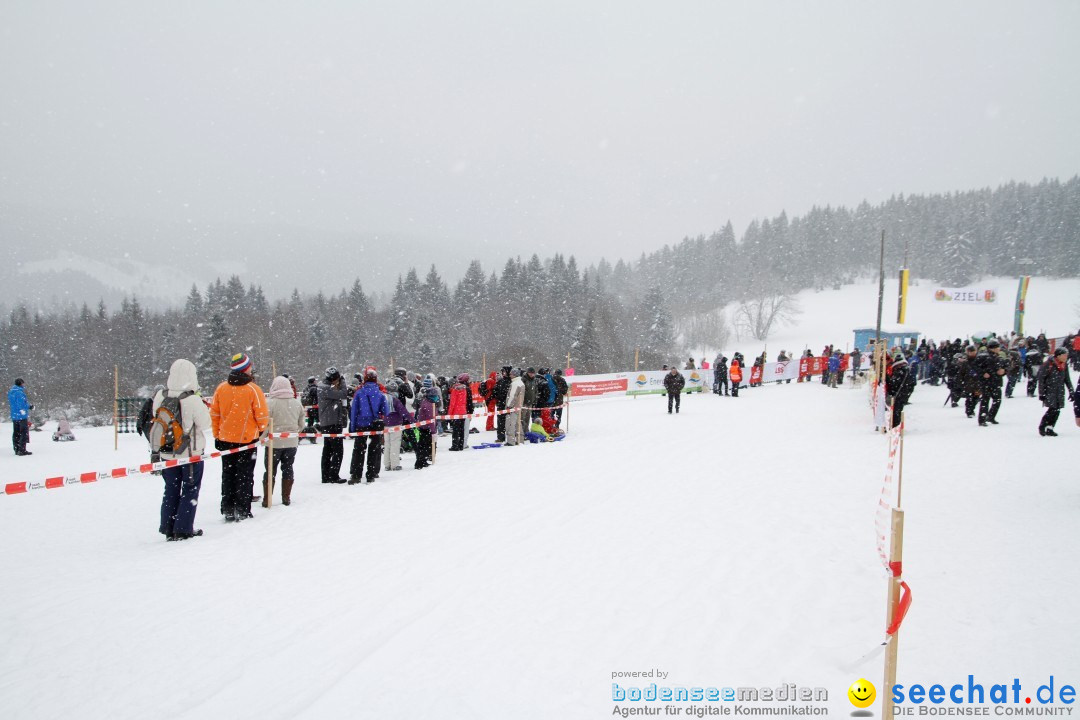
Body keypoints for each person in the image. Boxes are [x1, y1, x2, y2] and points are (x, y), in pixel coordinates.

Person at [151, 359, 212, 540]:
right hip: (189, 453)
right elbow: (205, 423)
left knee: (170, 488)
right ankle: (183, 528)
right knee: (190, 489)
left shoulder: (160, 396)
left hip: (166, 453)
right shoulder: (192, 399)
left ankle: (168, 526)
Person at [210, 353, 269, 522]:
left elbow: (214, 414)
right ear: (246, 369)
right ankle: (243, 508)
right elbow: (262, 416)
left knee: (228, 474)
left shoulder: (221, 388)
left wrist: (217, 434)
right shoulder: (253, 389)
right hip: (247, 440)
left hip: (225, 439)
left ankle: (228, 507)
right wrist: (259, 430)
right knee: (245, 475)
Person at [264, 375, 305, 506]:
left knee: (270, 470)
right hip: (291, 442)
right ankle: (286, 497)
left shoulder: (269, 403)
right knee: (288, 468)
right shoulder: (296, 403)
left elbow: (264, 424)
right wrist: (294, 432)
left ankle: (267, 498)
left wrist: (263, 437)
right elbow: (302, 424)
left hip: (273, 443)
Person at [350, 367, 388, 483]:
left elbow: (354, 411)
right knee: (374, 450)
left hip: (361, 424)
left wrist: (352, 427)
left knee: (359, 450)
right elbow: (386, 411)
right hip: (375, 424)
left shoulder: (359, 393)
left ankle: (356, 475)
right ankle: (371, 474)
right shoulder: (380, 394)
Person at [317, 367, 350, 483]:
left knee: (327, 449)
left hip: (326, 422)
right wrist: (343, 382)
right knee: (337, 450)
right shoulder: (327, 389)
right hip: (332, 422)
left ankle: (325, 475)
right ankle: (333, 475)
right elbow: (343, 394)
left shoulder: (322, 387)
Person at [1037, 348, 1075, 437]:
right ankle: (1042, 426)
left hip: (1060, 391)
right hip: (1050, 390)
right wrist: (1041, 393)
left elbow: (1067, 379)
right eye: (1064, 355)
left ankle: (1050, 427)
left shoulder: (1064, 365)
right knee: (1052, 409)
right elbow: (1041, 379)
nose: (1066, 357)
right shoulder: (1048, 364)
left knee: (1057, 410)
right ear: (1058, 356)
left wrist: (1071, 392)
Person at [382, 376, 413, 473]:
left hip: (386, 425)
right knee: (395, 444)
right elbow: (404, 412)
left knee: (387, 444)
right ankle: (395, 465)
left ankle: (387, 464)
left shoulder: (384, 399)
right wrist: (413, 420)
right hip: (396, 425)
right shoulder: (395, 400)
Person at [975, 340, 1007, 426]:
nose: (998, 349)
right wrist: (983, 373)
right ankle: (982, 419)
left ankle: (991, 416)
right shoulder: (983, 356)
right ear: (992, 348)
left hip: (996, 382)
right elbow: (975, 367)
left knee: (997, 400)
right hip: (986, 382)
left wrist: (1003, 371)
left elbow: (1004, 367)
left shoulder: (999, 357)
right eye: (997, 347)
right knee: (985, 400)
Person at [885, 349, 916, 428]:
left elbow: (893, 385)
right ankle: (895, 427)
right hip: (904, 394)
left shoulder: (900, 371)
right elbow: (913, 383)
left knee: (896, 411)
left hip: (900, 395)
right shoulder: (907, 370)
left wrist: (887, 378)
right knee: (898, 410)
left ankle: (895, 427)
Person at [414, 375, 439, 468]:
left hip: (424, 427)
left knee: (423, 445)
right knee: (424, 446)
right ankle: (421, 462)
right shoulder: (428, 405)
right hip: (426, 428)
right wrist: (433, 431)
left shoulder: (428, 402)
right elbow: (430, 420)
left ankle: (422, 460)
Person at [448, 373, 473, 451]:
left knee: (455, 430)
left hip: (456, 412)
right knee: (462, 429)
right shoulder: (465, 389)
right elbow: (466, 402)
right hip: (463, 411)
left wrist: (449, 414)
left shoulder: (455, 390)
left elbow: (452, 403)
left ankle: (455, 446)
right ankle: (461, 445)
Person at [8, 378, 33, 456]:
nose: (24, 385)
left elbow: (14, 404)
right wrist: (30, 406)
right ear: (21, 383)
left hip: (14, 416)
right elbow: (21, 405)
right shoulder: (19, 392)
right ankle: (22, 450)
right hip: (21, 416)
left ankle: (16, 449)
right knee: (23, 433)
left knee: (16, 433)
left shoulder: (11, 392)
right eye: (23, 383)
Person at [505, 369, 525, 446]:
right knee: (518, 424)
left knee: (510, 424)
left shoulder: (515, 384)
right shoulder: (521, 383)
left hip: (513, 407)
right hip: (518, 406)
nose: (510, 375)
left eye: (511, 374)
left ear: (514, 375)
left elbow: (512, 396)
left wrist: (508, 406)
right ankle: (520, 440)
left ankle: (511, 441)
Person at [493, 366, 512, 442]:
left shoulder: (511, 381)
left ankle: (511, 437)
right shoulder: (501, 381)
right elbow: (495, 392)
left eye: (504, 372)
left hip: (509, 404)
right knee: (500, 422)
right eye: (502, 372)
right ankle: (501, 437)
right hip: (501, 404)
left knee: (510, 422)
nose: (503, 373)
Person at [300, 376, 319, 444]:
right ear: (313, 381)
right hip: (316, 407)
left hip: (309, 407)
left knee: (310, 421)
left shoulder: (306, 388)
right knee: (318, 421)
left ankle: (308, 433)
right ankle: (316, 434)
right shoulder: (315, 388)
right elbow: (317, 397)